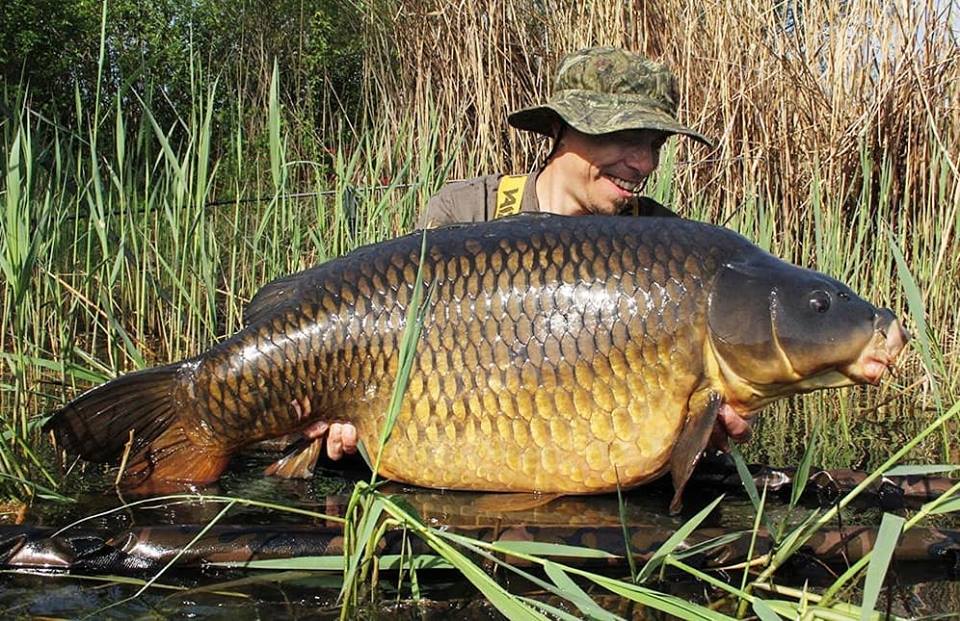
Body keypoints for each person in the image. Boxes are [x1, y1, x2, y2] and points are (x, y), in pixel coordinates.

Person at [282, 47, 741, 473]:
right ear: (563, 130)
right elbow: (383, 339)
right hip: (454, 460)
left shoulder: (663, 250)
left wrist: (711, 426)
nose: (643, 163)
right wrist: (344, 416)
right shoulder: (463, 213)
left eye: (655, 144)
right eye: (624, 137)